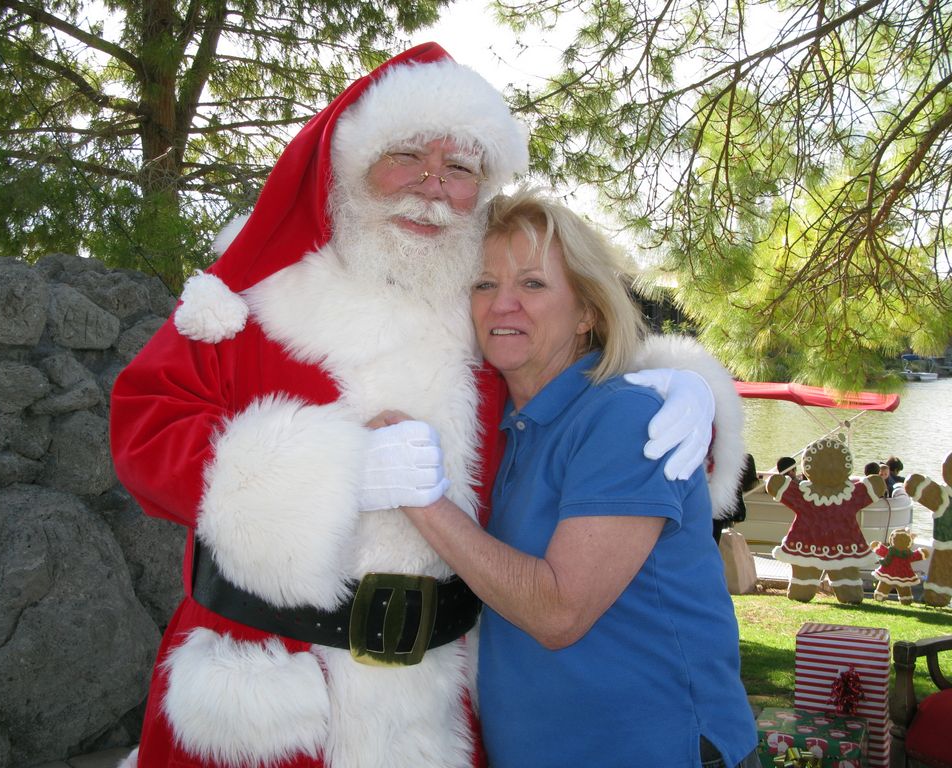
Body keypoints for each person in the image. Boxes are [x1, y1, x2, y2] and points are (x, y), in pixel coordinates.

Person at [109, 45, 747, 768]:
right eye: (407, 156)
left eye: (462, 169)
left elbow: (573, 378)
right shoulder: (253, 298)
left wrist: (682, 384)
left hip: (440, 699)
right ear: (351, 165)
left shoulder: (482, 308)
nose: (433, 188)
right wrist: (332, 475)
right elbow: (144, 427)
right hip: (270, 697)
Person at [391, 187, 758, 767]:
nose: (501, 305)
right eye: (485, 284)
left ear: (587, 311)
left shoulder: (623, 418)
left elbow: (558, 611)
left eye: (532, 284)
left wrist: (420, 497)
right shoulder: (517, 429)